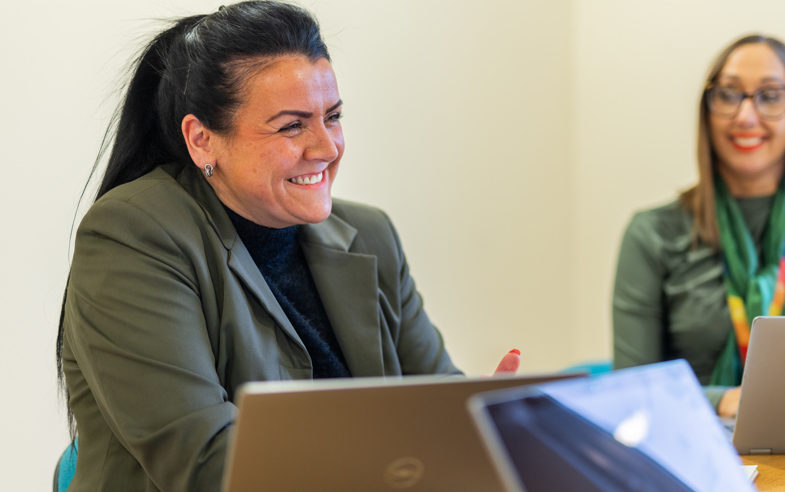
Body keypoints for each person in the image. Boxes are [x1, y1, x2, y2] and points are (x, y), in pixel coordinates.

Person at [56, 2, 519, 490]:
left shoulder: (371, 233)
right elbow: (207, 463)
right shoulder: (133, 233)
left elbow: (437, 401)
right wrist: (416, 455)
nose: (327, 147)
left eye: (333, 117)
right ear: (203, 140)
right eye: (292, 126)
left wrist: (487, 426)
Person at [611, 35, 785, 418]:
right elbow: (631, 392)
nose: (746, 116)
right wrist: (724, 401)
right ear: (707, 109)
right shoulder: (651, 233)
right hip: (695, 453)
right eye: (729, 94)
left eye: (770, 95)